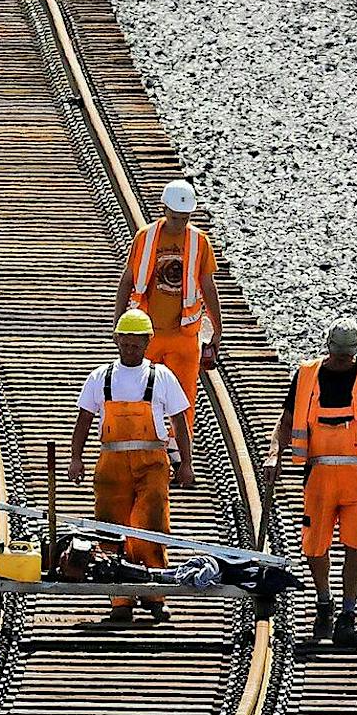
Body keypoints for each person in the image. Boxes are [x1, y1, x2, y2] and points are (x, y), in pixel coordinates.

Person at [267, 323, 357, 650]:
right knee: (315, 545)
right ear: (328, 348)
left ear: (355, 350)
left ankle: (348, 616)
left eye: (347, 355)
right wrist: (274, 455)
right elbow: (285, 421)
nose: (342, 360)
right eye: (338, 354)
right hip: (318, 477)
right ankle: (324, 603)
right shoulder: (306, 376)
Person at [69, 310, 195, 626]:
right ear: (117, 341)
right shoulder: (101, 377)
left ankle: (154, 597)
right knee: (110, 529)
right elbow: (84, 420)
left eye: (136, 343)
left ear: (146, 342)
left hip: (152, 463)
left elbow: (180, 422)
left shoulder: (161, 377)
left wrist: (186, 464)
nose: (129, 349)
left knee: (152, 527)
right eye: (124, 343)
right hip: (111, 465)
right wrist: (76, 458)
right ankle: (119, 600)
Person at [116, 178, 222, 412]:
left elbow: (208, 286)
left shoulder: (199, 241)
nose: (180, 224)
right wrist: (118, 324)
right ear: (163, 209)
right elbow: (127, 280)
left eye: (185, 218)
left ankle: (178, 448)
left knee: (184, 400)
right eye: (175, 218)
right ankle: (145, 443)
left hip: (183, 335)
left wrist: (217, 328)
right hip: (146, 333)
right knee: (140, 396)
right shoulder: (146, 237)